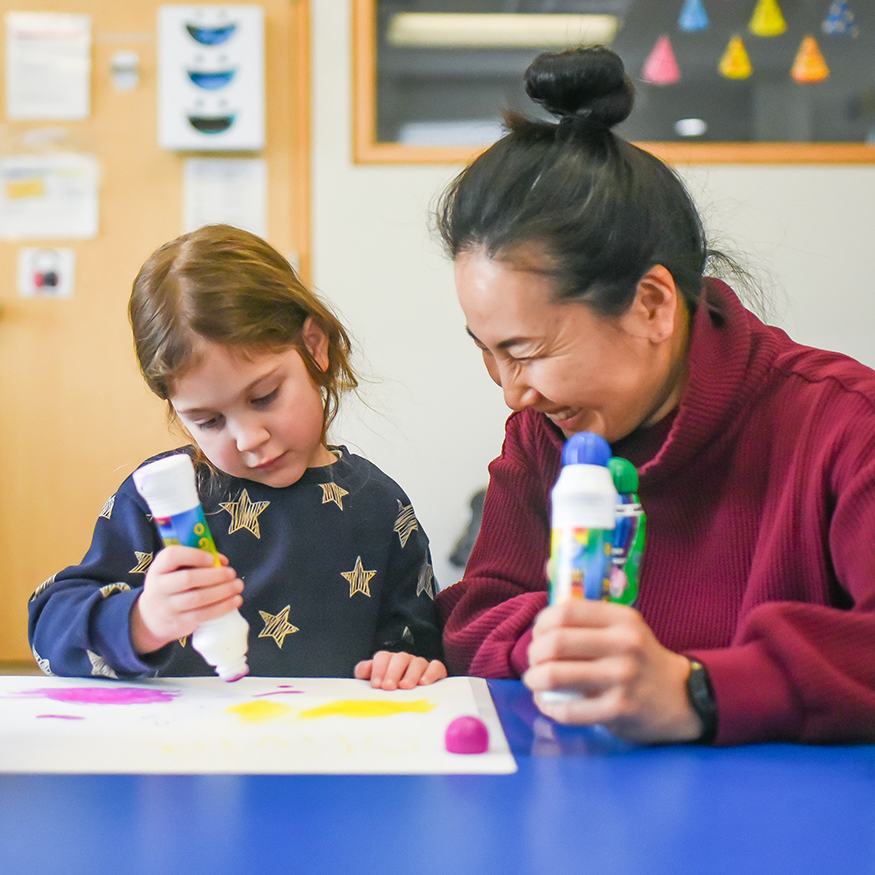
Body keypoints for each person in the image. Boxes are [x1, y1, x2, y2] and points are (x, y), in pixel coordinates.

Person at [433, 45, 875, 745]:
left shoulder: (842, 425)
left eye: (527, 351)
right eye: (486, 352)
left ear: (650, 306)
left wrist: (697, 689)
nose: (513, 394)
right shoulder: (546, 434)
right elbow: (476, 613)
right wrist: (547, 642)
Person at [28, 224, 446, 690]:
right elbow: (49, 632)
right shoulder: (165, 503)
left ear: (314, 346)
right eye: (208, 421)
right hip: (184, 751)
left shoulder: (380, 506)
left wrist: (409, 661)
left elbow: (419, 638)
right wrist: (142, 620)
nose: (248, 439)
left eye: (264, 396)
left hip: (327, 748)